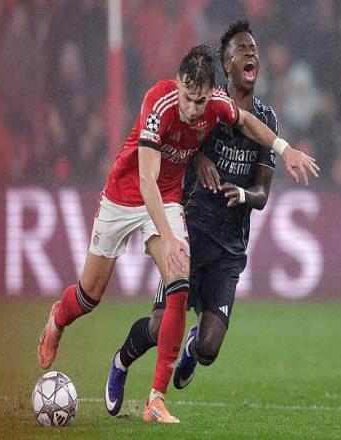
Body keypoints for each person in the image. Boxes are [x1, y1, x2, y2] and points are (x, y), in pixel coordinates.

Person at [38, 43, 318, 424]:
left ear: (209, 94)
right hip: (126, 195)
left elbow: (247, 123)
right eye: (187, 97)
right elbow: (146, 180)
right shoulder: (159, 104)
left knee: (179, 284)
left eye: (200, 101)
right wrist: (169, 238)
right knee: (89, 295)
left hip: (168, 198)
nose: (192, 109)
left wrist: (286, 150)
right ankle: (58, 319)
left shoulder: (216, 104)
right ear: (178, 83)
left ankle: (155, 400)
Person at [105, 19, 286, 417]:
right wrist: (198, 156)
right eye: (242, 49)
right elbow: (175, 145)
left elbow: (262, 193)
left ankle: (191, 346)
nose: (251, 53)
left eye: (254, 49)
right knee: (158, 327)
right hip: (190, 233)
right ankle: (121, 361)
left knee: (207, 350)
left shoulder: (266, 120)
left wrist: (243, 193)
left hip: (229, 250)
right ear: (227, 64)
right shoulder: (207, 105)